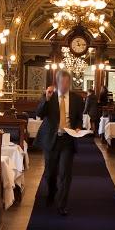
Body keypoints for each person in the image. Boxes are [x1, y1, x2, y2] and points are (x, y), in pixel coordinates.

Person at [35, 69, 85, 216]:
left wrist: (78, 127)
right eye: (62, 82)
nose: (64, 85)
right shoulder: (49, 96)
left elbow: (79, 118)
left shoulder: (76, 99)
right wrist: (46, 99)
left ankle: (62, 204)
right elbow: (39, 114)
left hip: (67, 140)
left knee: (65, 173)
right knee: (50, 173)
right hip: (51, 139)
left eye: (67, 82)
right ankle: (52, 192)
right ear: (57, 83)